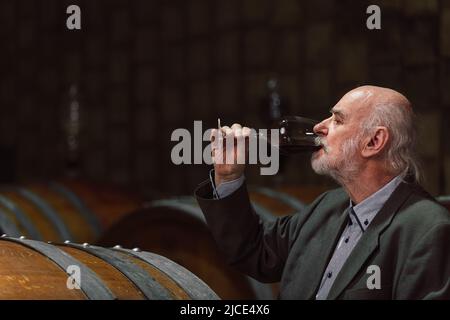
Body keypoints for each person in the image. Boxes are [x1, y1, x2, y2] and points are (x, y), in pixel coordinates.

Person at [195, 85, 450, 299]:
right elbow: (252, 251)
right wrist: (228, 176)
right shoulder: (328, 205)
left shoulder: (428, 230)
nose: (318, 126)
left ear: (374, 142)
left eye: (337, 120)